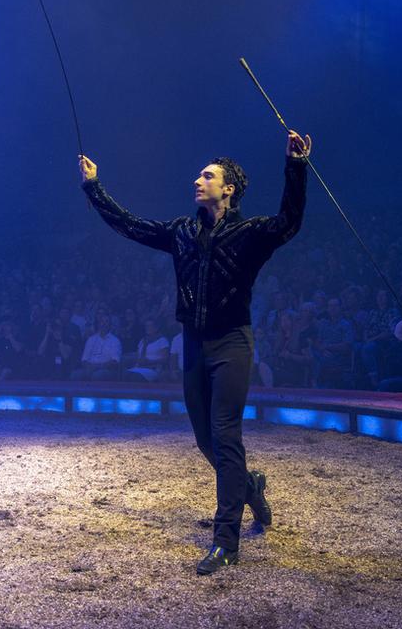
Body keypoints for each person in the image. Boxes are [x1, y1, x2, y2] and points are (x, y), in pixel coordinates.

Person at [78, 127, 309, 575]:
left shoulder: (248, 233)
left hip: (232, 343)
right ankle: (251, 488)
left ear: (229, 189)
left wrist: (296, 166)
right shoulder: (181, 232)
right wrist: (95, 187)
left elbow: (290, 222)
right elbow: (130, 225)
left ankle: (226, 540)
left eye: (207, 176)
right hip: (194, 344)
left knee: (225, 435)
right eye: (197, 176)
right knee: (206, 440)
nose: (197, 180)